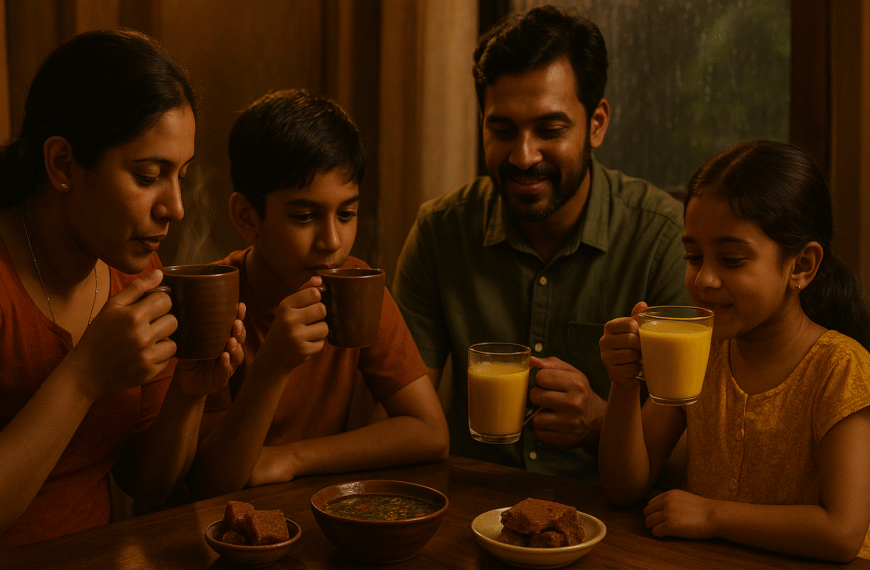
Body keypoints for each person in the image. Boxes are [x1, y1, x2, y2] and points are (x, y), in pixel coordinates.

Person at [391, 5, 690, 480]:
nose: (524, 156)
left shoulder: (661, 236)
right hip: (473, 497)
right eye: (502, 130)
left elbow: (694, 455)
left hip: (609, 512)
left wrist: (601, 422)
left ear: (597, 123)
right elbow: (399, 412)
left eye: (550, 130)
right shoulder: (441, 230)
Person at [0, 29, 246, 548]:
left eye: (181, 176)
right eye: (149, 175)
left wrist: (188, 392)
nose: (175, 208)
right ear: (63, 163)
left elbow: (147, 485)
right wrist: (83, 376)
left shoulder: (135, 270)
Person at [598, 140, 870, 561]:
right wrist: (623, 383)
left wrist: (712, 516)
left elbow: (841, 533)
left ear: (801, 266)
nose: (703, 279)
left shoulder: (841, 368)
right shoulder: (702, 351)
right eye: (693, 256)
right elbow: (623, 487)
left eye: (731, 259)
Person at [187, 89, 449, 498]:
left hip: (314, 509)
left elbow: (430, 432)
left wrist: (294, 458)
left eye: (346, 214)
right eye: (305, 216)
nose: (332, 241)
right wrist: (273, 365)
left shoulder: (357, 286)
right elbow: (208, 481)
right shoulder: (216, 302)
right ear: (247, 218)